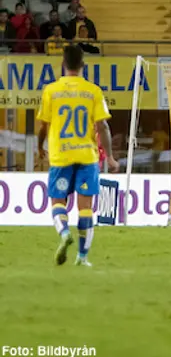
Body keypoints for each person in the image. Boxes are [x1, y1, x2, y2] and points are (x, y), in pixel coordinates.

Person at [36, 45, 118, 266]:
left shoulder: (51, 91)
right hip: (87, 157)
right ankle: (82, 257)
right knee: (85, 208)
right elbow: (102, 127)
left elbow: (43, 126)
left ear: (63, 64)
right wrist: (109, 157)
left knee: (58, 202)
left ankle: (64, 233)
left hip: (61, 157)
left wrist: (40, 146)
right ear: (83, 65)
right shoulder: (93, 91)